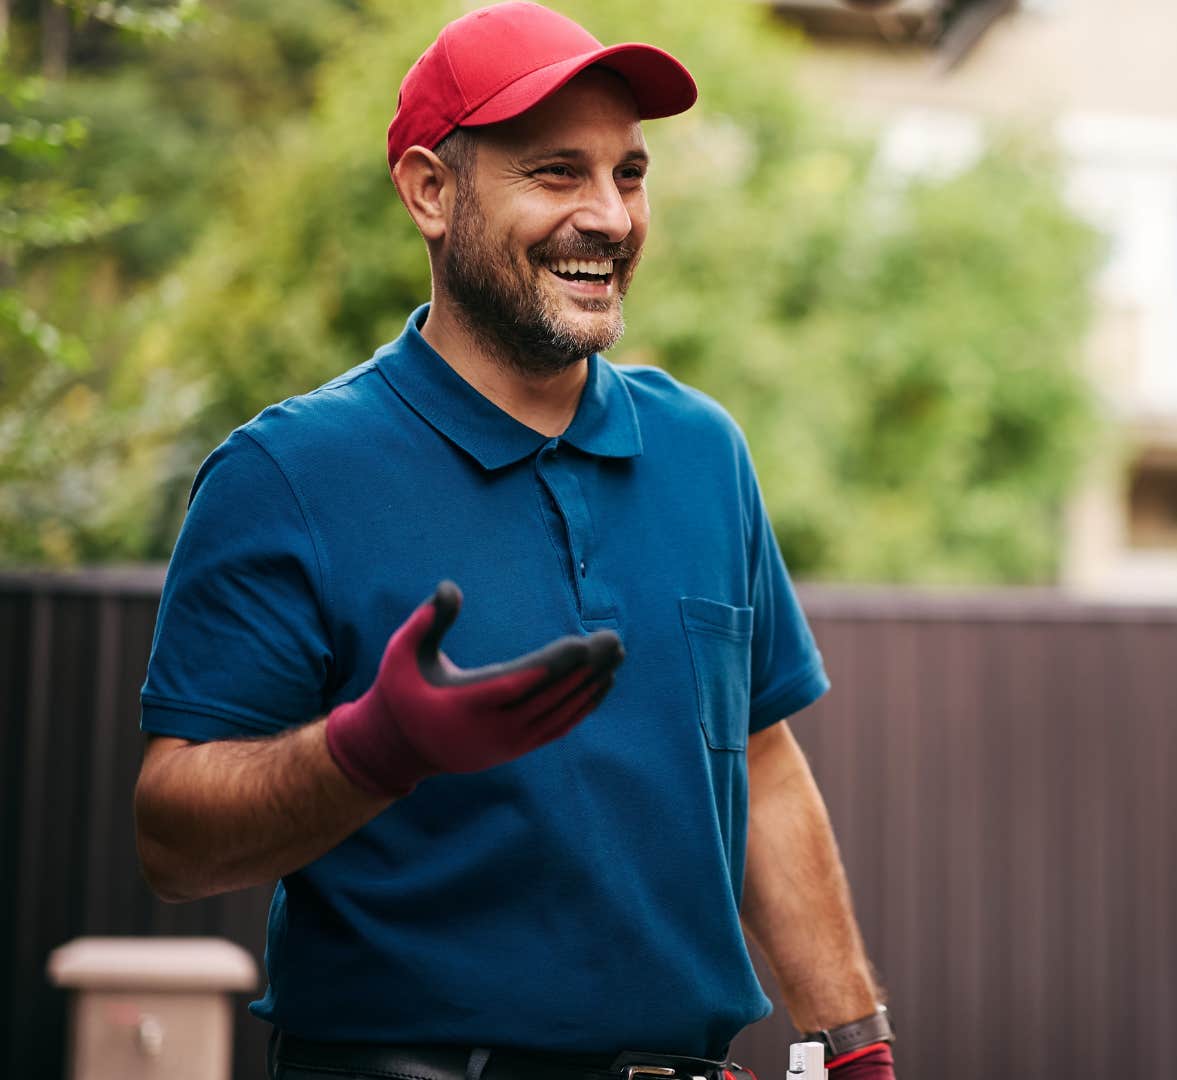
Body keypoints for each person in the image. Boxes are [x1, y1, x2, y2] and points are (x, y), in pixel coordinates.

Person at [130, 4, 896, 1078]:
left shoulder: (702, 453)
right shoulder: (290, 476)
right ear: (429, 192)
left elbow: (761, 763)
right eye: (555, 173)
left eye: (628, 175)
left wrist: (855, 1045)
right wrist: (368, 750)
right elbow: (171, 838)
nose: (611, 217)